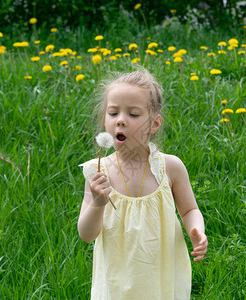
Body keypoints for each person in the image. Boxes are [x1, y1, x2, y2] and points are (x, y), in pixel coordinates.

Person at [78, 68, 208, 299]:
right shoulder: (98, 173)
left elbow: (189, 209)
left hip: (160, 276)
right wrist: (98, 203)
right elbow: (87, 234)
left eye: (133, 114)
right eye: (113, 113)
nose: (121, 120)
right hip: (116, 280)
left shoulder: (170, 168)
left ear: (154, 124)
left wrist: (196, 230)